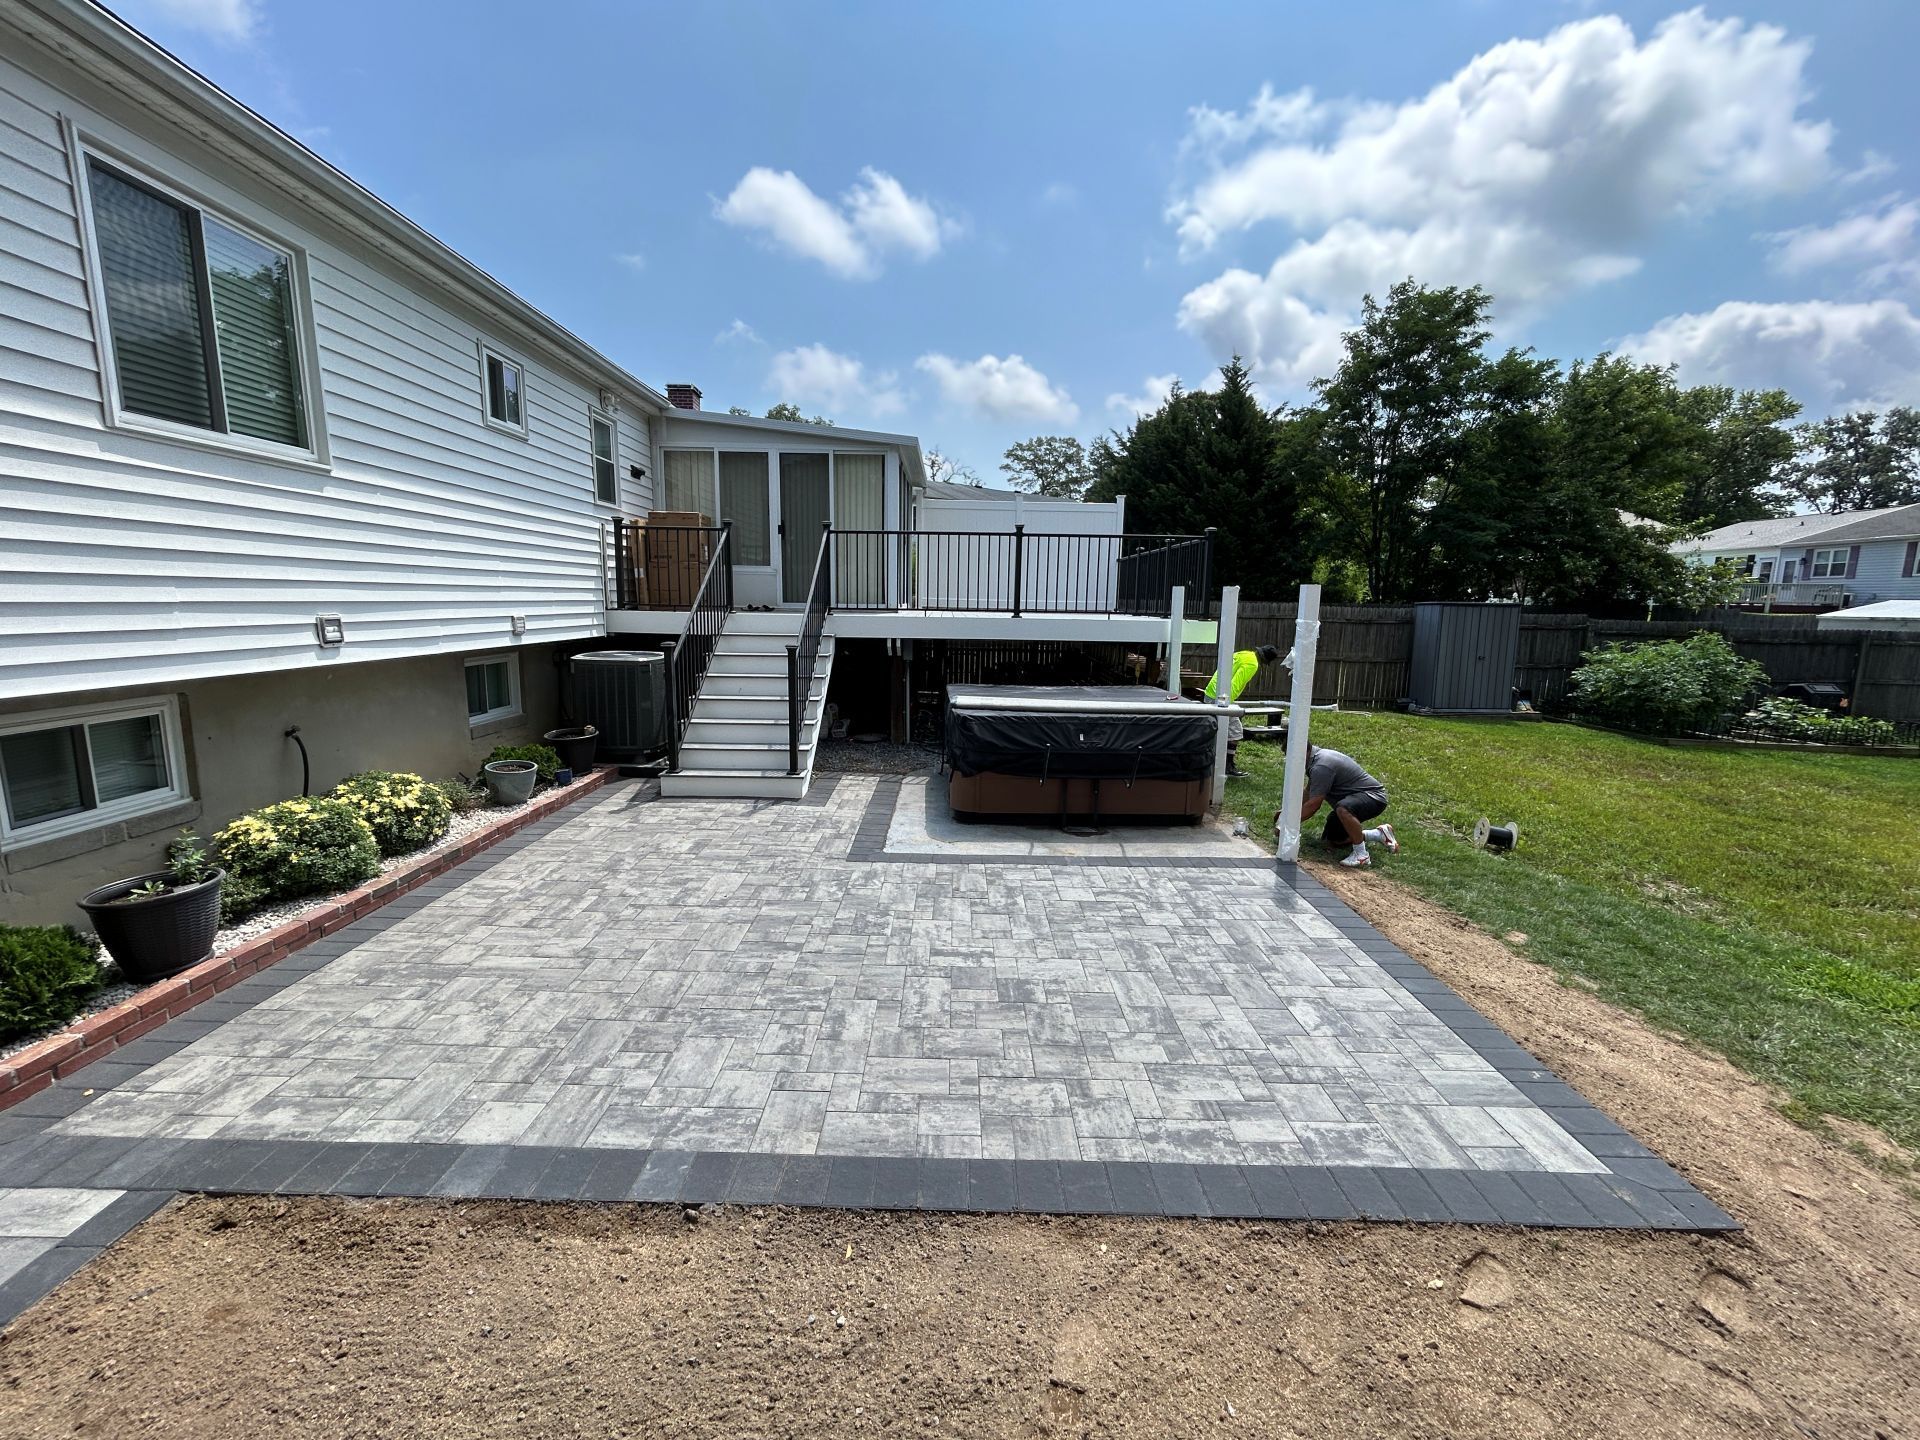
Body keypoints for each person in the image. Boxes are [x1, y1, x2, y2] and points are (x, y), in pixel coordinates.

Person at [1286, 743, 1398, 868]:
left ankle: (1361, 855)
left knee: (1343, 809)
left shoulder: (1321, 766)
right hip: (1352, 800)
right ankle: (1378, 834)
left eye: (1289, 756)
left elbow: (1314, 805)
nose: (1289, 761)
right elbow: (1309, 792)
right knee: (1334, 839)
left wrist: (1288, 824)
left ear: (1301, 753)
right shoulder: (1315, 760)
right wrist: (1286, 812)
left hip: (1373, 797)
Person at [1203, 644, 1282, 777]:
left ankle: (1215, 761)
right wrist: (1228, 704)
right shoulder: (1252, 664)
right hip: (1221, 698)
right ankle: (1228, 766)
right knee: (1236, 732)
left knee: (1218, 730)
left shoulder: (1243, 654)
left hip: (1210, 691)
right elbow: (1236, 682)